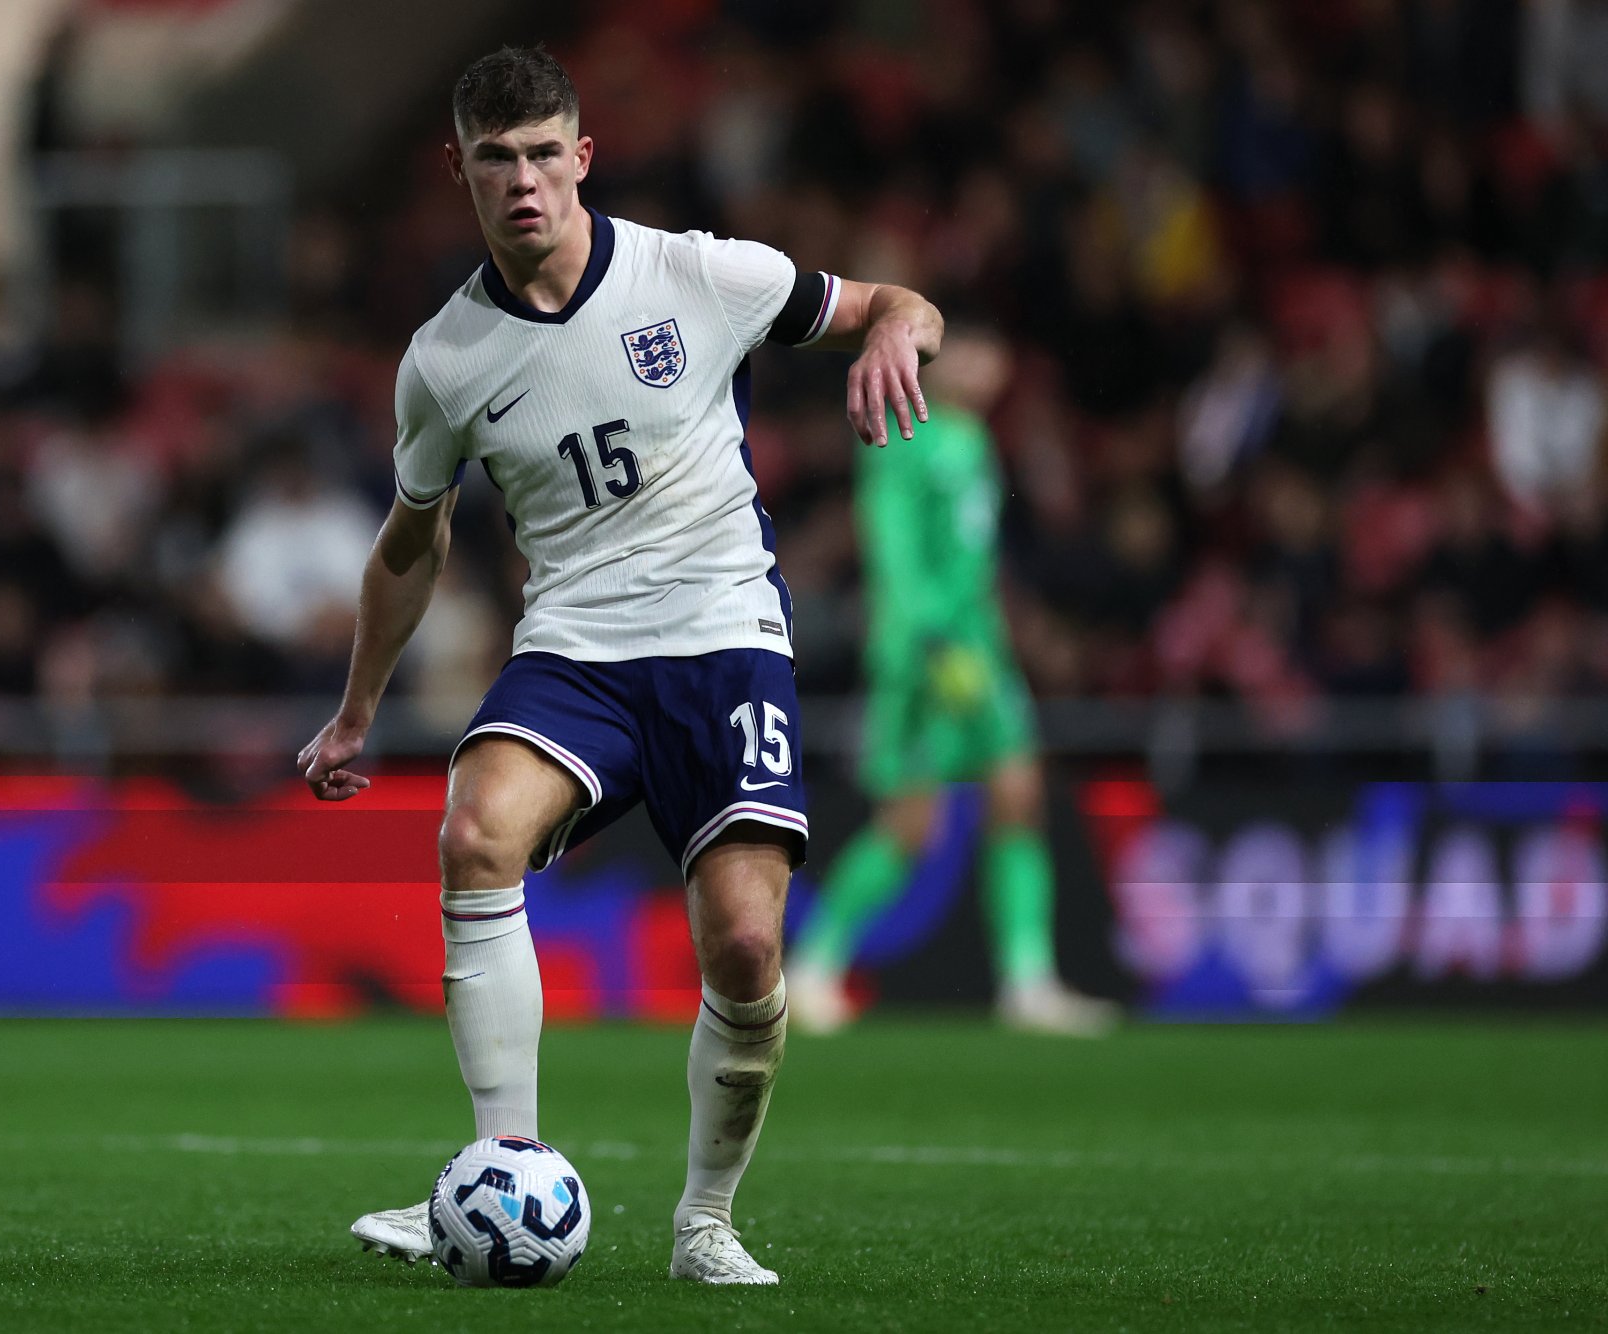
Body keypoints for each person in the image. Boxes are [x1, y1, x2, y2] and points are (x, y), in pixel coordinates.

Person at [297, 46, 941, 1286]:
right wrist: (356, 707)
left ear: (582, 156)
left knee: (744, 948)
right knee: (474, 830)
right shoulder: (444, 358)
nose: (523, 181)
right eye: (495, 159)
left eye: (544, 153)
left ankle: (703, 1222)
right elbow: (410, 542)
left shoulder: (695, 273)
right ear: (457, 172)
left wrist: (893, 337)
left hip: (723, 640)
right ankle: (500, 1170)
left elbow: (895, 302)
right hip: (576, 652)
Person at [787, 325, 1118, 1037]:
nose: (985, 367)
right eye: (967, 352)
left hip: (978, 652)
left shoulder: (974, 441)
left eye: (992, 355)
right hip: (924, 655)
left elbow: (974, 560)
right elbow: (892, 547)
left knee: (1019, 794)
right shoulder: (903, 434)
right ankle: (813, 967)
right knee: (911, 824)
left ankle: (1027, 982)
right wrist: (925, 640)